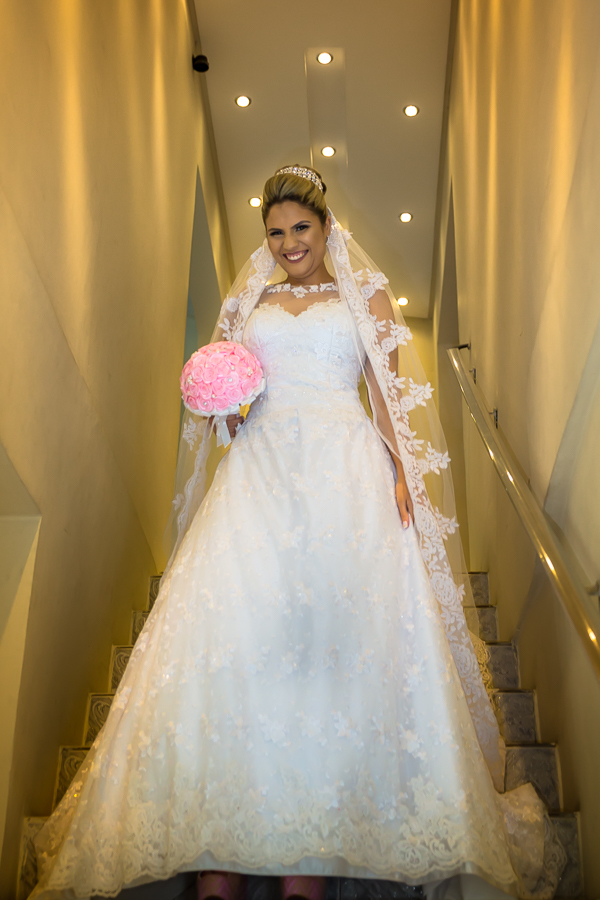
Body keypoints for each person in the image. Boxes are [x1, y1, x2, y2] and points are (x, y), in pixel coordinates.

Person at [32, 167, 565, 900]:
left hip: (344, 468)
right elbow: (236, 403)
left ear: (325, 228)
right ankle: (219, 846)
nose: (288, 244)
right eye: (276, 232)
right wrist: (227, 408)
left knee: (328, 645)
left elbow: (385, 390)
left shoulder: (364, 295)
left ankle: (307, 858)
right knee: (237, 640)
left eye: (300, 229)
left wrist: (403, 472)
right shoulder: (248, 300)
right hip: (260, 468)